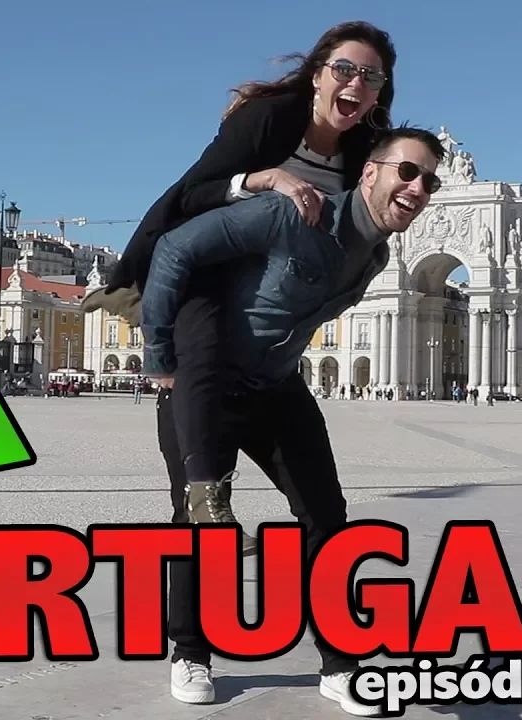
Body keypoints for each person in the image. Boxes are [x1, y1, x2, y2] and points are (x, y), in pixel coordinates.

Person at [142, 126, 445, 716]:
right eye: (407, 171)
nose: (417, 188)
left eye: (429, 182)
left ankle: (339, 662)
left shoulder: (376, 256)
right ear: (370, 173)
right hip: (208, 383)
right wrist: (160, 358)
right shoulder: (291, 213)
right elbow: (175, 248)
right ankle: (190, 652)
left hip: (278, 387)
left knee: (326, 517)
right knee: (197, 519)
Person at [82, 21, 399, 550]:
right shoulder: (271, 117)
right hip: (205, 263)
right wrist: (264, 179)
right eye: (344, 69)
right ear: (317, 74)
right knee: (202, 347)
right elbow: (191, 195)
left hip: (269, 316)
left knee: (325, 515)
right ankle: (207, 500)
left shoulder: (364, 150)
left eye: (372, 77)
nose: (357, 83)